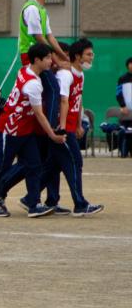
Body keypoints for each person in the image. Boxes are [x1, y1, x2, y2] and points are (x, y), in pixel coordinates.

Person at [0, 43, 65, 217]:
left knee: (34, 164)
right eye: (48, 58)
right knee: (1, 166)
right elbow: (40, 114)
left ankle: (33, 204)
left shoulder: (26, 70)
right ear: (37, 60)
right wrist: (52, 135)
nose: (51, 61)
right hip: (10, 129)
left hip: (25, 129)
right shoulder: (33, 84)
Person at [43, 39, 103, 216]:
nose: (92, 58)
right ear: (77, 56)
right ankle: (80, 204)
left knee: (53, 165)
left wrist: (78, 123)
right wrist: (62, 127)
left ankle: (33, 198)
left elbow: (77, 100)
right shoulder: (65, 75)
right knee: (75, 161)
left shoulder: (80, 75)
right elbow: (62, 101)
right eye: (88, 54)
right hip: (62, 128)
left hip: (70, 126)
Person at [18, 0, 68, 66]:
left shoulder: (42, 10)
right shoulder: (32, 9)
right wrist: (56, 59)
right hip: (32, 56)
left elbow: (50, 37)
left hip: (42, 56)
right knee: (53, 79)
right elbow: (39, 38)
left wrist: (64, 57)